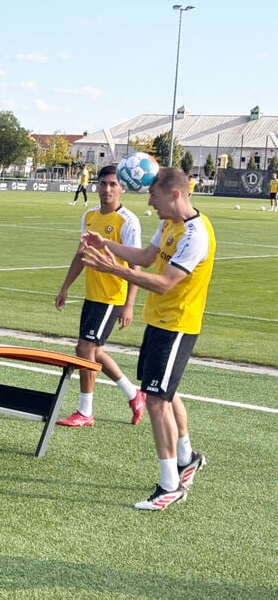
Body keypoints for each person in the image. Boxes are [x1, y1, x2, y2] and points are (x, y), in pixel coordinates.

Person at [81, 167, 214, 511]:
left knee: (155, 400)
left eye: (154, 196)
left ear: (174, 194)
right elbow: (144, 257)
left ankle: (170, 485)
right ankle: (186, 458)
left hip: (177, 325)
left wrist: (113, 269)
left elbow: (164, 283)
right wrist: (106, 244)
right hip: (158, 322)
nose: (150, 203)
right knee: (164, 393)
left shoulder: (195, 235)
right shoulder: (169, 223)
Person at [54, 165, 145, 428]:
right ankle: (134, 394)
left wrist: (129, 304)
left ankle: (86, 412)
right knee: (94, 350)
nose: (107, 189)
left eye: (113, 184)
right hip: (93, 295)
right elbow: (81, 255)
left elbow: (136, 266)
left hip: (112, 296)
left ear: (122, 188)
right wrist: (65, 287)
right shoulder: (90, 216)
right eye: (103, 183)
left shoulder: (128, 221)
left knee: (84, 349)